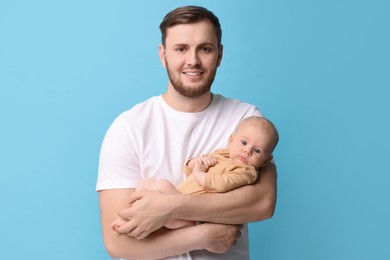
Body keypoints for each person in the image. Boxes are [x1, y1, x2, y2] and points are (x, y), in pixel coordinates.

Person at [97, 5, 277, 260]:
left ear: (219, 54)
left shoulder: (246, 121)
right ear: (163, 55)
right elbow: (119, 244)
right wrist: (203, 236)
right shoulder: (128, 128)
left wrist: (168, 207)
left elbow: (262, 202)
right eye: (181, 49)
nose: (193, 60)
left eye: (204, 48)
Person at [110, 116, 279, 232]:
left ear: (265, 161)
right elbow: (191, 173)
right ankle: (131, 216)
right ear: (231, 140)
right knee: (147, 183)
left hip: (193, 218)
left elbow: (219, 184)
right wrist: (195, 163)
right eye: (243, 142)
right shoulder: (222, 154)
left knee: (161, 186)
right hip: (178, 198)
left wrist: (199, 171)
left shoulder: (246, 171)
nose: (246, 151)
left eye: (256, 151)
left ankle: (130, 221)